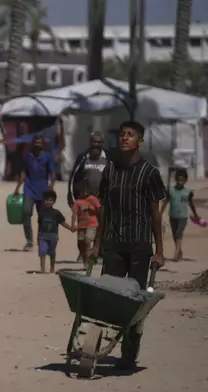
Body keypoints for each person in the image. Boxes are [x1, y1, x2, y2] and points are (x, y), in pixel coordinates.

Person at [91, 120, 166, 370]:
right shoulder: (109, 171)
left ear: (140, 141)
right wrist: (96, 244)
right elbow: (103, 210)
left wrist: (160, 250)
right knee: (106, 297)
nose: (124, 138)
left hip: (139, 245)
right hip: (113, 243)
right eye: (122, 134)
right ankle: (94, 347)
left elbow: (156, 214)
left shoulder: (149, 173)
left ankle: (128, 354)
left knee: (134, 302)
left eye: (130, 135)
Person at [13, 135, 57, 252]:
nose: (37, 144)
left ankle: (40, 239)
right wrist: (17, 187)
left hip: (43, 189)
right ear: (33, 144)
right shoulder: (28, 157)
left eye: (39, 142)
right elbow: (24, 173)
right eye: (35, 142)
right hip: (29, 188)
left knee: (42, 216)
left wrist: (51, 187)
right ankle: (29, 241)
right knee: (26, 212)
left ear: (42, 144)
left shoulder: (48, 157)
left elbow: (52, 173)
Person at [160, 169, 201, 261]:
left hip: (183, 217)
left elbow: (191, 204)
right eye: (178, 180)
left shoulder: (188, 192)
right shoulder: (171, 191)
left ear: (185, 181)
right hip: (172, 216)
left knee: (179, 234)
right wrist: (160, 213)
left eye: (182, 180)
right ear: (176, 180)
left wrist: (196, 214)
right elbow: (165, 202)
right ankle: (179, 252)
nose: (180, 182)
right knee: (175, 235)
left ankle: (175, 255)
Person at [37, 190, 75, 274]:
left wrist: (70, 228)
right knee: (42, 251)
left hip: (53, 236)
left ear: (54, 201)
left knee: (52, 252)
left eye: (50, 200)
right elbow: (39, 225)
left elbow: (62, 222)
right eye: (47, 200)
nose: (48, 202)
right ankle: (42, 269)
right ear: (43, 201)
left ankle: (52, 268)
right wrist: (38, 237)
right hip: (43, 235)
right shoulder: (41, 213)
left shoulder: (56, 213)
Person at [67, 130, 108, 207]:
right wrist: (71, 199)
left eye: (99, 142)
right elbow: (73, 179)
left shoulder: (108, 158)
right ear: (90, 142)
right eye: (94, 141)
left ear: (103, 143)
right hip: (86, 202)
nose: (96, 144)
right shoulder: (82, 158)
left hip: (103, 202)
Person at [71, 180, 101, 268]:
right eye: (82, 190)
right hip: (81, 226)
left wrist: (91, 209)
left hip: (92, 224)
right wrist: (73, 224)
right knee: (81, 243)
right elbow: (74, 213)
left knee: (87, 240)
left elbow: (99, 210)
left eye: (86, 190)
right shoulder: (78, 202)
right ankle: (85, 262)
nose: (84, 192)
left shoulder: (93, 199)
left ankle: (90, 260)